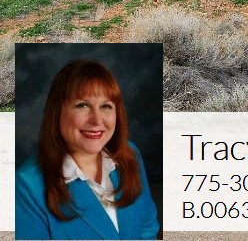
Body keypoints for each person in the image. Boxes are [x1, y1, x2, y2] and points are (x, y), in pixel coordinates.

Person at [15, 59, 159, 240]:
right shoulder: (27, 186)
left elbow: (147, 227)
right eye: (83, 105)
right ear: (57, 112)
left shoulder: (130, 154)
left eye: (106, 106)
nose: (97, 120)